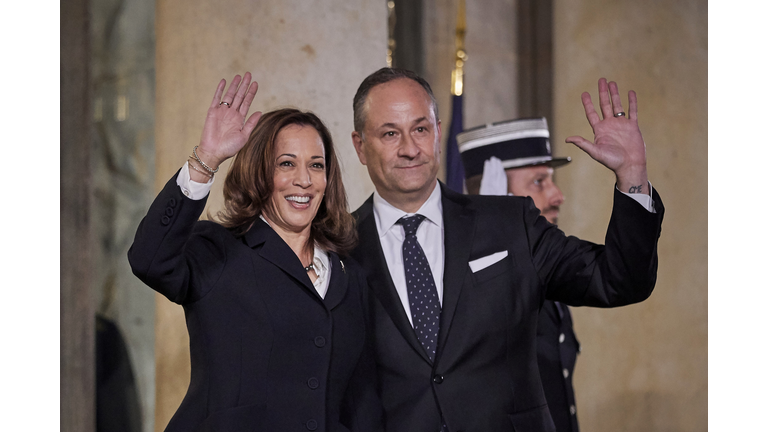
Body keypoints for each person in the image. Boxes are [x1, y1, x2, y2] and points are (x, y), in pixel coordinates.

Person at [349, 67, 664, 432]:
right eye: (390, 133)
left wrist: (632, 175)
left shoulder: (510, 223)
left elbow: (619, 281)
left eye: (420, 129)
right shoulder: (337, 247)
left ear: (437, 133)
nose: (409, 148)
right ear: (360, 146)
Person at [128, 73, 382, 432]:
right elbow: (149, 260)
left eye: (316, 165)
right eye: (286, 163)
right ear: (259, 172)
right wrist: (206, 159)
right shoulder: (218, 251)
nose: (304, 179)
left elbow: (360, 399)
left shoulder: (348, 275)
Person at [459, 117, 581, 432]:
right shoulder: (461, 278)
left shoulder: (544, 265)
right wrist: (491, 231)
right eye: (539, 182)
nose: (557, 195)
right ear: (501, 195)